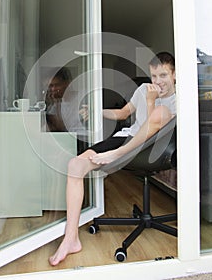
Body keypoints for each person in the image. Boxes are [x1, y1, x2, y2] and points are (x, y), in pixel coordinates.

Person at [49, 51, 176, 266]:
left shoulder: (178, 99)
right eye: (154, 76)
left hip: (151, 149)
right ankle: (70, 238)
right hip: (126, 140)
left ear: (174, 74)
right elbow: (123, 114)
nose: (157, 82)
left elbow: (152, 130)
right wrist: (97, 111)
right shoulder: (144, 89)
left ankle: (114, 154)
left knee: (159, 112)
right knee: (75, 165)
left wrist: (151, 101)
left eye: (163, 76)